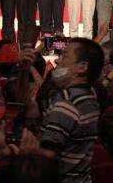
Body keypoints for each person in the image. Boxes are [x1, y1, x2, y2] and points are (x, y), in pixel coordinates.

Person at [38, 37, 104, 183]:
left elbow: (45, 158)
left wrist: (25, 151)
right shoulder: (90, 95)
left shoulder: (66, 105)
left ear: (82, 67)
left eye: (65, 56)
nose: (57, 61)